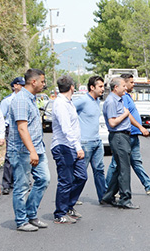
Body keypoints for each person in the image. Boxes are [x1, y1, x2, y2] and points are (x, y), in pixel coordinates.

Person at [105, 74, 150, 196]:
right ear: (123, 84)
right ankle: (108, 189)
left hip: (132, 135)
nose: (133, 85)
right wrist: (141, 127)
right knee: (116, 164)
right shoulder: (121, 98)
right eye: (131, 82)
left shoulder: (126, 96)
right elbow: (126, 115)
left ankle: (148, 185)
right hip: (126, 135)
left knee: (136, 161)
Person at [8, 69, 50, 232]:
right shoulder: (21, 100)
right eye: (42, 81)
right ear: (34, 82)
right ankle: (21, 220)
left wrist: (36, 150)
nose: (44, 84)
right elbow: (22, 128)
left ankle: (31, 214)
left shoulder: (32, 99)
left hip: (36, 149)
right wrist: (32, 151)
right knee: (22, 186)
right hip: (22, 151)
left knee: (44, 179)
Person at [50, 75, 87, 224]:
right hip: (63, 146)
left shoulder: (69, 102)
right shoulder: (60, 104)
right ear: (72, 87)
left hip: (72, 145)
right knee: (65, 181)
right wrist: (78, 147)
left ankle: (68, 206)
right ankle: (60, 213)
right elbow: (66, 129)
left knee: (81, 176)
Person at [100, 77, 139, 209]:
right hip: (118, 136)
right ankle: (125, 199)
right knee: (124, 168)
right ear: (115, 87)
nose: (126, 88)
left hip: (123, 136)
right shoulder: (111, 101)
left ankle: (108, 196)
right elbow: (112, 122)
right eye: (123, 86)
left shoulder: (119, 99)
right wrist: (125, 114)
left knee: (119, 168)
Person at [74, 76, 106, 203]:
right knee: (81, 173)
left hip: (97, 141)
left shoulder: (97, 101)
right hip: (85, 142)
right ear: (92, 87)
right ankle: (72, 198)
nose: (103, 89)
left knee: (99, 170)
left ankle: (103, 197)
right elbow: (69, 111)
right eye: (100, 86)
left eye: (103, 86)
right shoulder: (82, 100)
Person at [0, 76, 25, 195]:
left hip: (23, 129)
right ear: (15, 86)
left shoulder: (27, 99)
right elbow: (0, 118)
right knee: (10, 156)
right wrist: (2, 134)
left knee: (23, 156)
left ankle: (19, 182)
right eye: (21, 85)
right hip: (11, 129)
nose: (23, 87)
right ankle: (6, 184)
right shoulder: (7, 101)